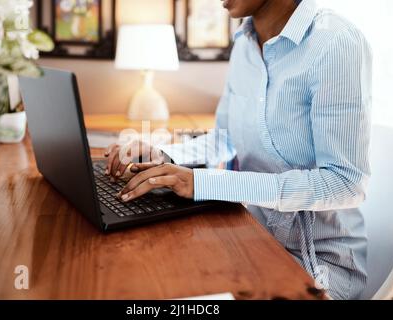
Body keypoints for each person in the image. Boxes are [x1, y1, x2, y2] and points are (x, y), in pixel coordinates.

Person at [105, 0, 372, 300]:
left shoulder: (335, 43)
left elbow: (345, 183)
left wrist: (202, 183)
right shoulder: (244, 44)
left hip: (316, 268)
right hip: (253, 238)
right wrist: (166, 155)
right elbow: (225, 138)